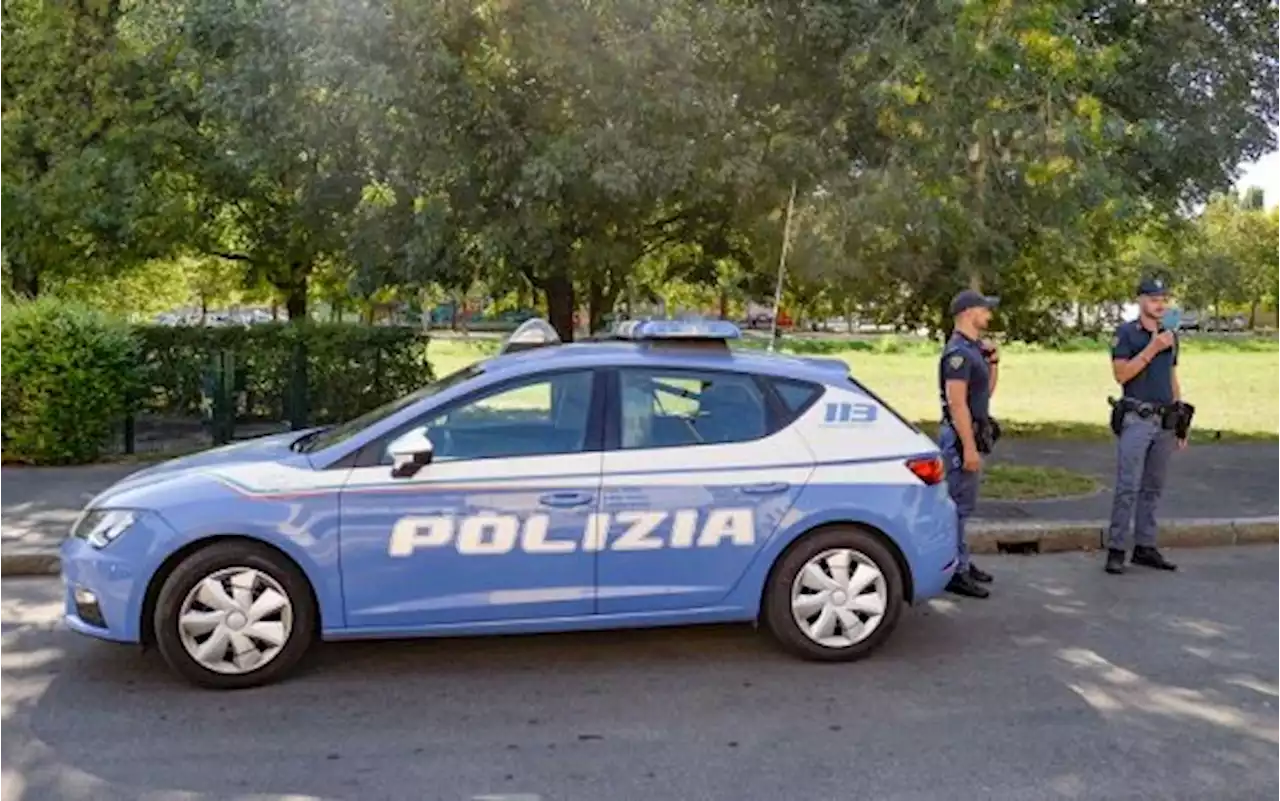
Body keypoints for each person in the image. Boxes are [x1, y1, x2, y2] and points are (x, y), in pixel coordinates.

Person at [1103, 277, 1186, 575]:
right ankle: (1116, 548)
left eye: (1164, 298)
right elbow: (1121, 375)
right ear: (1140, 301)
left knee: (1154, 486)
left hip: (1164, 419)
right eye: (1153, 298)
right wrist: (1152, 348)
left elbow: (1172, 378)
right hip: (1137, 417)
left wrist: (1181, 421)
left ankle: (1145, 546)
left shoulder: (1171, 335)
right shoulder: (1126, 333)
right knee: (1128, 486)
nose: (1160, 304)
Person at [938, 289, 1001, 599]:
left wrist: (994, 363)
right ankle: (954, 570)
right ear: (968, 313)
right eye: (984, 310)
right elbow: (957, 403)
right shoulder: (958, 353)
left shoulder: (973, 349)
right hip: (961, 436)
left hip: (972, 433)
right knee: (957, 508)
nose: (988, 315)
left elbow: (985, 393)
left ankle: (961, 561)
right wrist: (968, 447)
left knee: (964, 504)